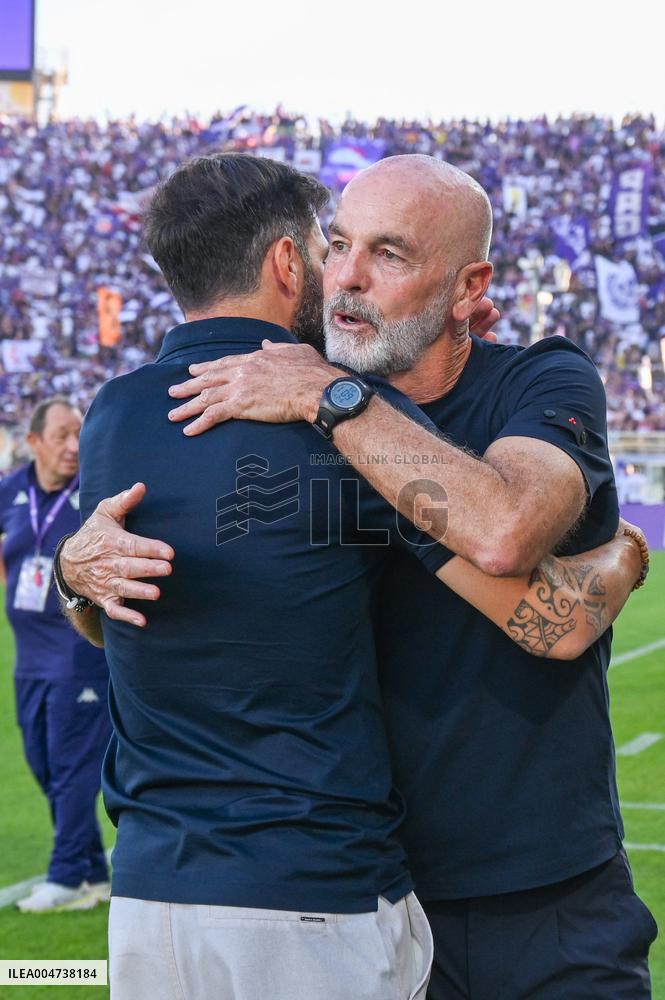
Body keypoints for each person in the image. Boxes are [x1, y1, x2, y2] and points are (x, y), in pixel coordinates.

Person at [58, 154, 648, 998]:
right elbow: (150, 597)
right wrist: (79, 575)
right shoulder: (262, 402)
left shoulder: (535, 379)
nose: (347, 278)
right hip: (363, 885)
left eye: (389, 254)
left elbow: (517, 547)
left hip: (536, 888)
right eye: (336, 244)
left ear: (467, 284)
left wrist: (331, 398)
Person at [0, 397, 111, 913]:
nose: (73, 447)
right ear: (34, 442)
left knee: (71, 767)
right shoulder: (12, 490)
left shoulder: (94, 488)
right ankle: (91, 870)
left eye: (79, 436)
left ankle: (66, 876)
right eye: (63, 436)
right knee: (43, 765)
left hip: (78, 652)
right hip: (29, 657)